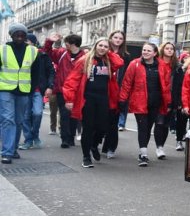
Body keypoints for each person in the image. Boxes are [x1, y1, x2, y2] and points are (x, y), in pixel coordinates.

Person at [62, 38, 124, 168]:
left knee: (103, 127)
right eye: (100, 45)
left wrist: (110, 52)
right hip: (88, 99)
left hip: (104, 99)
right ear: (95, 46)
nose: (102, 48)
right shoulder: (84, 60)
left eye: (105, 47)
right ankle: (86, 156)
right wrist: (69, 99)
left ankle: (94, 145)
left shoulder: (108, 61)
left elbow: (119, 62)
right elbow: (72, 80)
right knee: (88, 128)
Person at [120, 43, 171, 166]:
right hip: (140, 101)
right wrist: (122, 99)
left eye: (149, 50)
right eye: (144, 50)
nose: (145, 52)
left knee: (148, 128)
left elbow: (166, 85)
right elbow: (126, 83)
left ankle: (143, 151)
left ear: (154, 53)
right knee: (142, 127)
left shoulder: (162, 65)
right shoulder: (134, 64)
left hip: (156, 102)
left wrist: (168, 102)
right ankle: (143, 154)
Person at [0, 23, 36, 164]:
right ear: (11, 35)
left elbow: (36, 72)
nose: (20, 36)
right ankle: (6, 152)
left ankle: (13, 149)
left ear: (25, 36)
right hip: (5, 90)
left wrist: (32, 90)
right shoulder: (2, 50)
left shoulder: (33, 51)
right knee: (7, 119)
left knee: (19, 121)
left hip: (24, 91)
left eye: (22, 34)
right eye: (17, 34)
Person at [21, 33, 54, 150]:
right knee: (25, 116)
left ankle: (35, 135)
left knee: (37, 113)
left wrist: (50, 86)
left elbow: (51, 72)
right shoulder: (19, 55)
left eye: (27, 42)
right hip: (23, 90)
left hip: (37, 90)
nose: (25, 44)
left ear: (33, 43)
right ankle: (28, 140)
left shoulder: (42, 55)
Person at [53, 34, 84, 148]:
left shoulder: (84, 56)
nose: (65, 45)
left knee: (74, 115)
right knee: (64, 114)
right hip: (63, 89)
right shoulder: (62, 53)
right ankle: (65, 139)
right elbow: (48, 52)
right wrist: (50, 41)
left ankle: (71, 137)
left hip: (77, 90)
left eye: (66, 43)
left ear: (71, 44)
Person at [103, 30, 128, 158]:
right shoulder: (104, 52)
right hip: (104, 91)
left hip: (118, 92)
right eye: (115, 37)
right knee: (102, 121)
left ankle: (111, 147)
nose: (118, 40)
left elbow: (128, 77)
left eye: (120, 38)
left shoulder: (126, 56)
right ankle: (101, 144)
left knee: (114, 122)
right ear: (111, 38)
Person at [170, 50, 189, 150]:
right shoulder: (179, 70)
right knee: (181, 121)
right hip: (182, 99)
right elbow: (177, 87)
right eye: (185, 57)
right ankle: (179, 140)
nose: (187, 59)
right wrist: (179, 102)